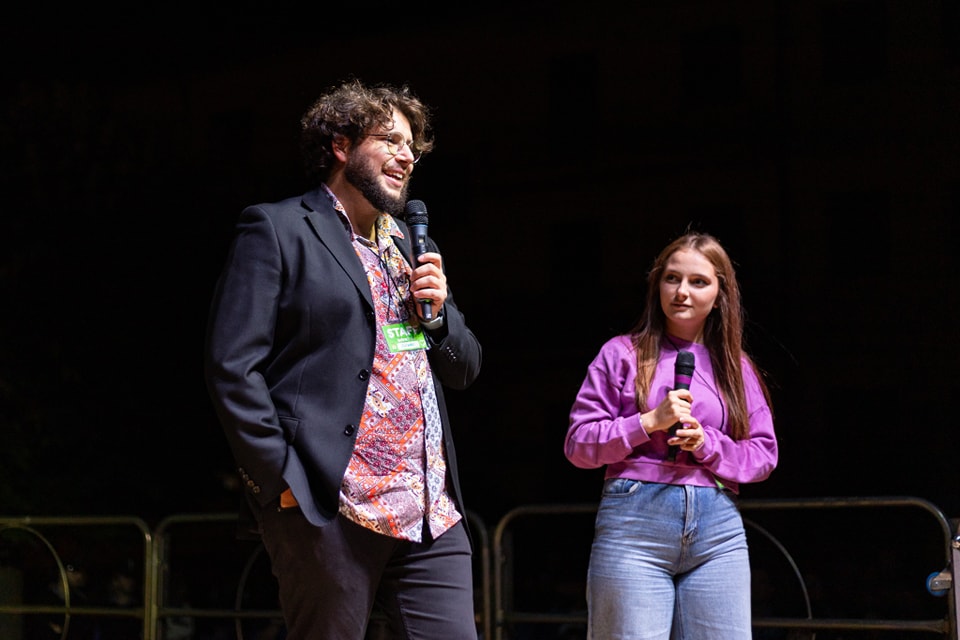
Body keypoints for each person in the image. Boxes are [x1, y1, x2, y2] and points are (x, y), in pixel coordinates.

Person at [204, 79, 482, 640]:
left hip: (429, 508)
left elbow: (466, 366)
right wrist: (281, 482)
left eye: (413, 147)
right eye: (391, 140)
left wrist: (437, 314)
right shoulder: (279, 228)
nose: (407, 156)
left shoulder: (407, 244)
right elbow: (232, 366)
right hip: (329, 505)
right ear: (340, 145)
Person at [563, 230, 778, 640]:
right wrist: (646, 423)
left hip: (718, 529)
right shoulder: (621, 353)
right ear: (656, 284)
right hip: (634, 524)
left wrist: (708, 444)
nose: (682, 291)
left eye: (698, 282)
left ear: (720, 294)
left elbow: (764, 453)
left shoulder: (736, 366)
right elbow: (578, 444)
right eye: (672, 278)